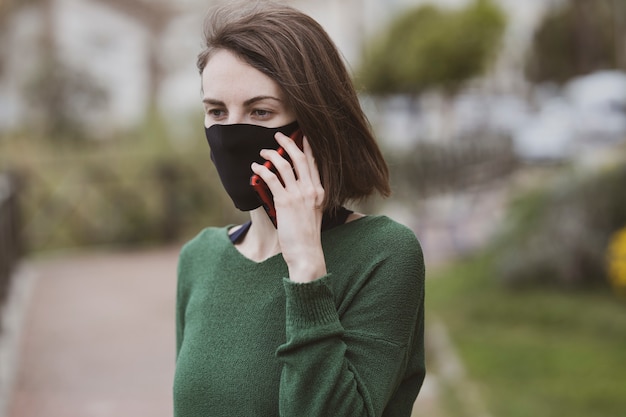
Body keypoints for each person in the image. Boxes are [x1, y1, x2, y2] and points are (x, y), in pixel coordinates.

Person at [174, 2, 425, 416]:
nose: (230, 134)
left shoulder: (384, 254)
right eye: (216, 111)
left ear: (313, 125)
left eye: (260, 112)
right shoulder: (198, 259)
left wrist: (307, 269)